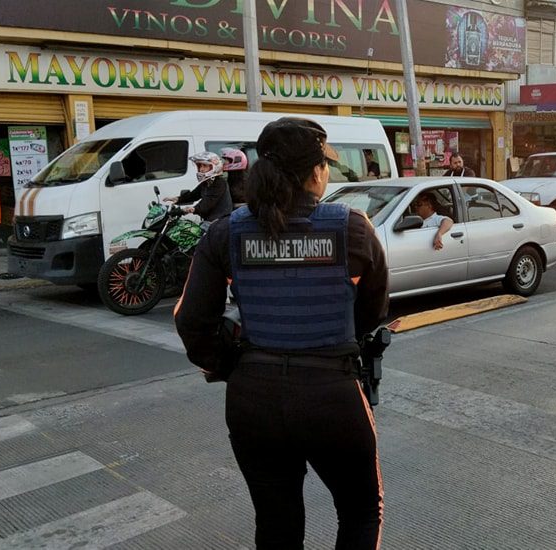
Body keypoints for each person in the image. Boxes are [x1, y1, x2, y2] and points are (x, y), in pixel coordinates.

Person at [174, 117, 389, 549]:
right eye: (326, 165)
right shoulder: (352, 228)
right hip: (332, 395)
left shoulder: (225, 233)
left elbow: (191, 321)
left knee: (276, 520)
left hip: (254, 399)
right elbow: (373, 314)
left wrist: (229, 364)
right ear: (315, 172)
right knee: (361, 511)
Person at [164, 151, 233, 222]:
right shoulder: (207, 182)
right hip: (210, 220)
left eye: (205, 166)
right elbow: (193, 195)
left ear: (214, 167)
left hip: (221, 222)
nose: (201, 169)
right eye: (200, 166)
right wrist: (178, 199)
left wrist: (192, 209)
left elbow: (206, 204)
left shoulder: (219, 183)